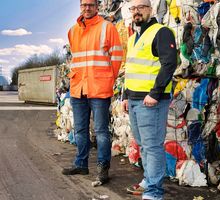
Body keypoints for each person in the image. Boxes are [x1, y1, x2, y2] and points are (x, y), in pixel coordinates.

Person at [62, 0, 123, 186]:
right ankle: (81, 164)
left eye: (90, 4)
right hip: (78, 88)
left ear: (97, 7)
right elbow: (75, 59)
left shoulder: (107, 27)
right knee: (80, 130)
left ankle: (103, 168)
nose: (87, 8)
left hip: (99, 88)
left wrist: (107, 79)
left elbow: (117, 57)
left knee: (101, 131)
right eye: (83, 5)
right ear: (80, 7)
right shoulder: (73, 31)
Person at [122, 0, 177, 199]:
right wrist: (126, 96)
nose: (137, 12)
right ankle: (148, 181)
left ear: (150, 10)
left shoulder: (161, 32)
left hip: (151, 101)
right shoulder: (133, 37)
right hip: (135, 99)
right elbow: (131, 70)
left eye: (141, 8)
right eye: (133, 9)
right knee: (143, 144)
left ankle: (154, 192)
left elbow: (169, 63)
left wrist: (155, 93)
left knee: (153, 146)